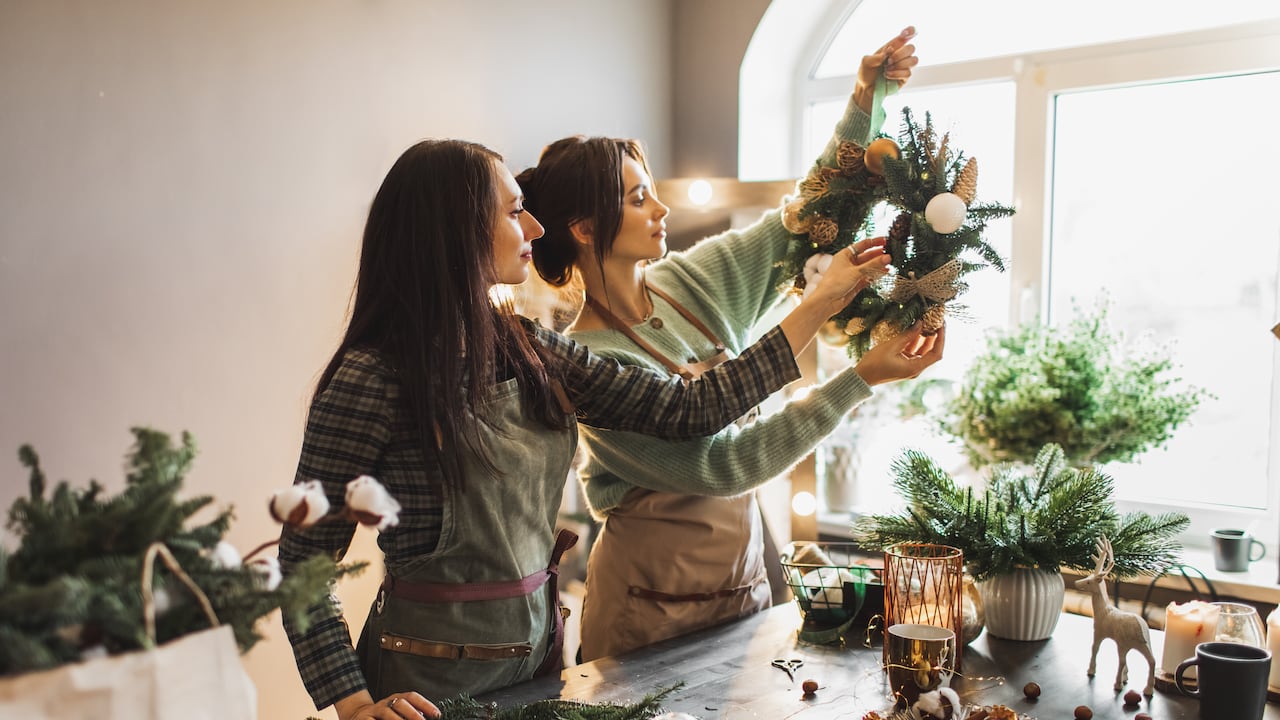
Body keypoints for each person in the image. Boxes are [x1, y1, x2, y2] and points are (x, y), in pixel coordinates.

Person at [277, 137, 895, 720]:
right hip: (425, 685)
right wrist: (354, 704)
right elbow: (305, 558)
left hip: (544, 670)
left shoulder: (528, 348)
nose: (536, 229)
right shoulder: (371, 377)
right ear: (457, 230)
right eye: (515, 211)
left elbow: (691, 411)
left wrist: (829, 321)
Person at [517, 27, 940, 662]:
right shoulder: (591, 364)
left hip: (741, 591)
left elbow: (802, 222)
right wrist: (858, 379)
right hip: (641, 616)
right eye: (638, 198)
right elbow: (728, 464)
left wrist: (863, 102)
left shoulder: (691, 281)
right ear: (583, 228)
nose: (661, 208)